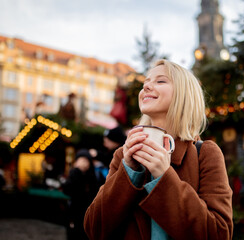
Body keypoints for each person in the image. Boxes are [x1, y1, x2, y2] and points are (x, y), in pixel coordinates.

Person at [84, 59, 233, 239]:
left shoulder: (206, 154)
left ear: (184, 94)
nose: (146, 87)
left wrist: (164, 177)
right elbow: (94, 229)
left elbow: (219, 233)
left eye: (160, 81)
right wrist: (129, 172)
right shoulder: (123, 155)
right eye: (145, 83)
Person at [63, 149, 99, 240]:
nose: (84, 163)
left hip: (88, 214)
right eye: (81, 160)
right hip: (74, 213)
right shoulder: (74, 173)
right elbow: (67, 189)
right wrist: (77, 171)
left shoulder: (93, 176)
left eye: (86, 160)